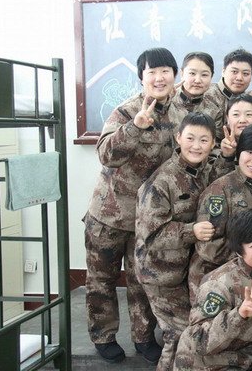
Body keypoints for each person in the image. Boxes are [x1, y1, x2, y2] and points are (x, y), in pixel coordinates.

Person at [84, 47, 185, 364]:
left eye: (165, 71)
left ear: (175, 75)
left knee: (142, 282)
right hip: (110, 215)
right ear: (142, 77)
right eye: (152, 72)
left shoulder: (180, 115)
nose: (159, 77)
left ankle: (143, 338)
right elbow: (106, 155)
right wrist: (135, 127)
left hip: (149, 219)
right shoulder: (127, 111)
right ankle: (103, 336)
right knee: (101, 280)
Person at [135, 113, 234, 371]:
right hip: (159, 273)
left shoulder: (204, 168)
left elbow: (215, 181)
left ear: (213, 143)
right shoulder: (162, 180)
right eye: (190, 138)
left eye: (204, 140)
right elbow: (151, 236)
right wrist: (192, 231)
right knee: (179, 335)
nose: (196, 146)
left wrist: (226, 157)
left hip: (185, 270)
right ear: (178, 138)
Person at [174, 209, 252, 371]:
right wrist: (238, 316)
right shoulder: (219, 284)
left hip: (245, 360)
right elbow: (198, 340)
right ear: (239, 251)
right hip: (208, 365)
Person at [187, 123, 252, 298]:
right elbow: (209, 246)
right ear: (239, 153)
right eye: (249, 152)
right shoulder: (221, 190)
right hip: (216, 280)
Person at [201, 48, 252, 128]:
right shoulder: (207, 94)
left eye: (245, 73)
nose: (239, 78)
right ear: (223, 72)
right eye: (234, 72)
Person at [177, 52, 222, 141]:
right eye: (192, 73)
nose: (197, 80)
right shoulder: (166, 102)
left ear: (211, 77)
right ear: (182, 74)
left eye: (204, 75)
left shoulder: (215, 109)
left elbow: (215, 144)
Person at [219, 94, 252, 160]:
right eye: (236, 114)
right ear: (227, 118)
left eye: (249, 114)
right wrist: (227, 156)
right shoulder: (220, 144)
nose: (242, 120)